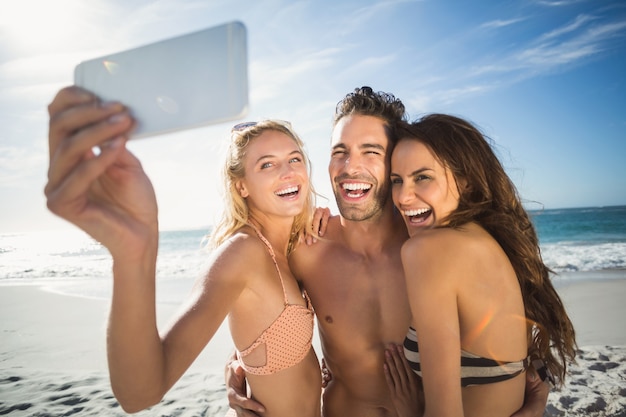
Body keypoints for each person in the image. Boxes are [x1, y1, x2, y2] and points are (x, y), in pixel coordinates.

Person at [226, 87, 551, 417]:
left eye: (371, 152)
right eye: (340, 151)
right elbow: (262, 309)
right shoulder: (306, 246)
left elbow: (506, 321)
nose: (350, 166)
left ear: (396, 161)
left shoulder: (432, 246)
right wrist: (242, 364)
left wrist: (536, 384)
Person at [45, 86, 323, 417]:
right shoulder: (242, 253)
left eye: (294, 159)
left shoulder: (293, 249)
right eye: (267, 165)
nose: (288, 171)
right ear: (242, 186)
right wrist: (132, 255)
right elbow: (139, 394)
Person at [384, 115, 577, 416]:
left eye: (422, 177)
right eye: (397, 181)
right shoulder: (490, 242)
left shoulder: (427, 250)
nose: (403, 197)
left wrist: (409, 412)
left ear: (466, 181)